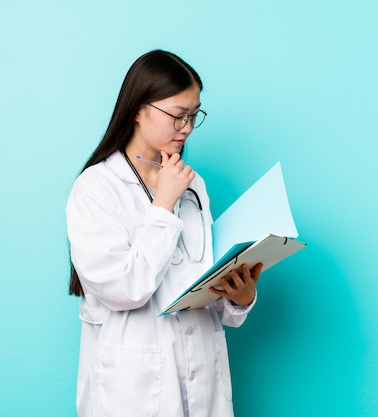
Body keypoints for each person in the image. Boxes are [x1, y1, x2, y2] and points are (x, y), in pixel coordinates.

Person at [66, 49, 263, 417]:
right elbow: (125, 290)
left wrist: (239, 296)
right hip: (133, 386)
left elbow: (204, 291)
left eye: (193, 115)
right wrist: (163, 205)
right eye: (177, 115)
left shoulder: (193, 185)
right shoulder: (96, 187)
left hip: (202, 371)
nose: (187, 127)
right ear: (139, 109)